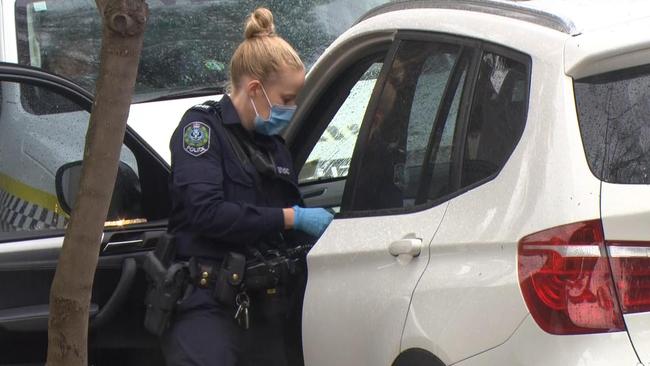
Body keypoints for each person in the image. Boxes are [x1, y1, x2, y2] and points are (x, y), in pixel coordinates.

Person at [163, 7, 333, 366]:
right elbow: (206, 213)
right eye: (286, 99)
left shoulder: (273, 146)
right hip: (208, 306)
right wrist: (291, 218)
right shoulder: (202, 132)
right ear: (256, 89)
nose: (292, 108)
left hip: (265, 309)